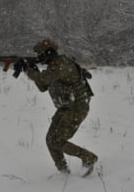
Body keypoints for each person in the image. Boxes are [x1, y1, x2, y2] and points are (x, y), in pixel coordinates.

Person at [19, 39, 97, 175]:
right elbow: (43, 86)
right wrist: (32, 70)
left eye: (40, 54)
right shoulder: (54, 66)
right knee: (50, 140)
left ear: (48, 52)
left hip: (77, 108)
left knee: (57, 140)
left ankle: (89, 158)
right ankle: (63, 172)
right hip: (67, 107)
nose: (38, 57)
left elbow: (44, 80)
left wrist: (27, 69)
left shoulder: (61, 63)